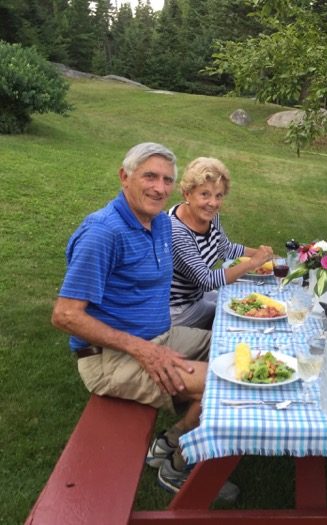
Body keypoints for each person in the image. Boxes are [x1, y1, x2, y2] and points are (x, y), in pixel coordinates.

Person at [51, 143, 238, 501]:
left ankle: (172, 438)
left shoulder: (161, 225)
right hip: (111, 358)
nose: (159, 187)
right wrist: (142, 350)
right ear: (125, 176)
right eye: (149, 176)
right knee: (229, 385)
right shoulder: (103, 232)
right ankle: (180, 466)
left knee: (239, 349)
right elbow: (65, 315)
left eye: (166, 179)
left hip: (161, 336)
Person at [169, 157, 274, 329]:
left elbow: (226, 249)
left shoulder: (210, 217)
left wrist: (263, 255)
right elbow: (207, 280)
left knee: (249, 299)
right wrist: (253, 263)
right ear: (187, 193)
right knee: (241, 316)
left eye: (219, 196)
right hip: (177, 311)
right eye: (205, 194)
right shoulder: (176, 231)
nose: (213, 203)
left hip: (197, 296)